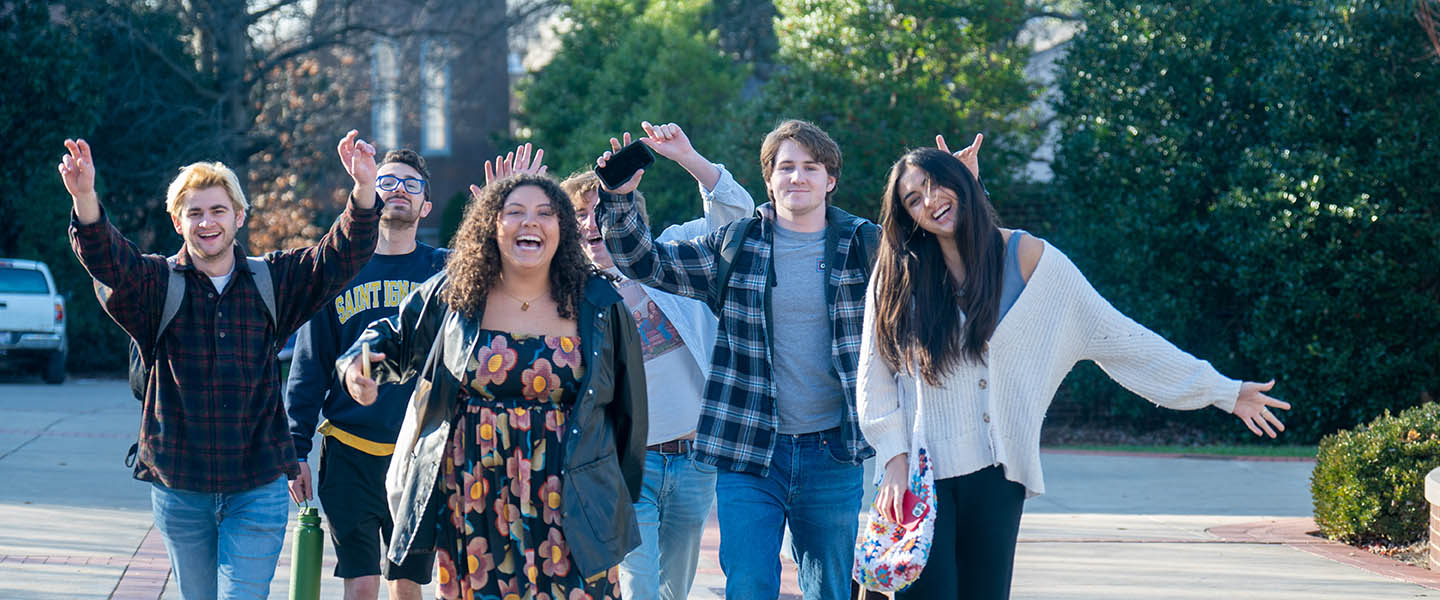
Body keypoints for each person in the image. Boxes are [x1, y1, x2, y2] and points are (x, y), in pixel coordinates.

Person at [857, 143, 1292, 599]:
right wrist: (893, 461)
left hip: (998, 475)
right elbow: (875, 376)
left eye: (936, 184)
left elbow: (1122, 339)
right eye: (913, 199)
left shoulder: (1030, 260)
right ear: (906, 217)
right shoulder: (898, 275)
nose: (929, 201)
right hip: (923, 475)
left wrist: (1222, 390)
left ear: (964, 183)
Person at [62, 131, 382, 599]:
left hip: (258, 486)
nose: (207, 222)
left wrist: (363, 190)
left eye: (217, 211)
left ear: (239, 216)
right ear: (177, 221)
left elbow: (340, 256)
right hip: (180, 487)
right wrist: (84, 196)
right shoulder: (156, 283)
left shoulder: (273, 279)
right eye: (195, 212)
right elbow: (109, 261)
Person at [595, 119, 878, 600]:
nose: (797, 177)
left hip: (833, 451)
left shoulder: (864, 245)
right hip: (749, 452)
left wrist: (959, 191)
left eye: (811, 167)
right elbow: (643, 262)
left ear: (831, 179)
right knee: (748, 586)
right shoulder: (736, 244)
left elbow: (930, 284)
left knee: (829, 589)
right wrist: (618, 198)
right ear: (769, 180)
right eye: (785, 167)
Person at [336, 173, 647, 600]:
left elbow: (628, 416)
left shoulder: (598, 303)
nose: (530, 223)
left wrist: (613, 503)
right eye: (514, 212)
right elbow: (390, 337)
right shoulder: (456, 295)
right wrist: (360, 366)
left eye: (545, 213)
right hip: (474, 495)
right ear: (491, 226)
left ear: (563, 228)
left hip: (573, 501)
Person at [284, 144, 491, 599]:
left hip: (421, 453)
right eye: (386, 182)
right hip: (349, 451)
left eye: (410, 184)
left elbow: (500, 273)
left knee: (406, 584)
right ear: (368, 194)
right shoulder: (336, 269)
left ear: (426, 205)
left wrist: (495, 205)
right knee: (360, 583)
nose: (398, 190)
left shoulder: (445, 270)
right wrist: (296, 447)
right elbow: (310, 367)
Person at [565, 121, 755, 600]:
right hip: (627, 463)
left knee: (676, 589)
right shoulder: (567, 295)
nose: (591, 223)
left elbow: (735, 215)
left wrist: (689, 158)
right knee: (640, 588)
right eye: (579, 216)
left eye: (599, 210)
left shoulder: (671, 258)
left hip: (695, 460)